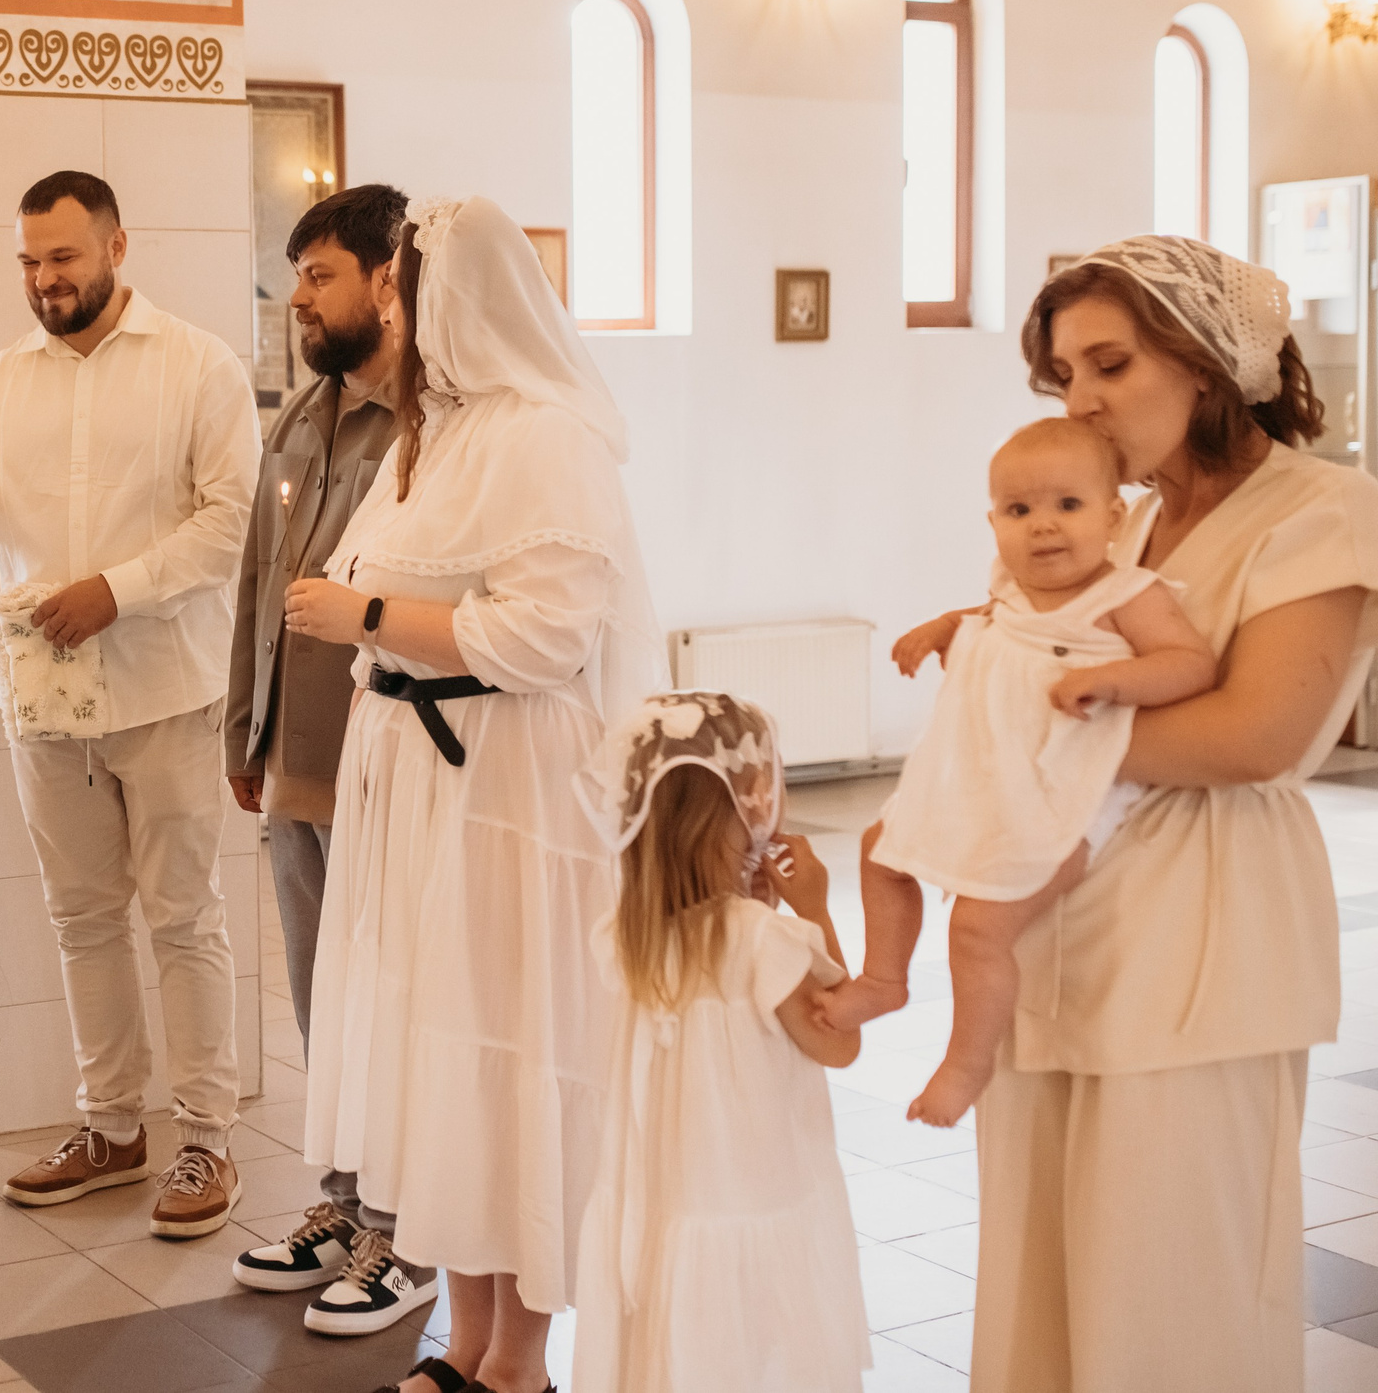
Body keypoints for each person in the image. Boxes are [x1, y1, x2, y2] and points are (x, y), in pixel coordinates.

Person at [958, 236, 1378, 1392]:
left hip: (1204, 926)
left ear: (1202, 362)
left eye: (1110, 365)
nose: (1079, 402)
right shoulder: (1117, 525)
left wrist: (1014, 740)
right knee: (1039, 1279)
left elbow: (1256, 734)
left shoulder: (1322, 509)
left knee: (1170, 1283)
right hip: (1052, 924)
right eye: (1062, 375)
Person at [283, 195, 664, 1393]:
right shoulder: (431, 434)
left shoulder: (546, 435)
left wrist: (366, 617)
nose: (394, 314)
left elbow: (545, 634)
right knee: (440, 1063)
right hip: (419, 782)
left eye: (404, 292)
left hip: (504, 785)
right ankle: (469, 1339)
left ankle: (521, 1362)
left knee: (506, 1056)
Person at [0, 169, 260, 1235]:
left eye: (63, 258)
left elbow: (229, 526)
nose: (44, 280)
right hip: (47, 705)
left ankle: (207, 1140)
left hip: (168, 688)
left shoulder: (199, 365)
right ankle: (111, 1128)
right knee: (82, 919)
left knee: (184, 919)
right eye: (30, 262)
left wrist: (114, 592)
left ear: (116, 248)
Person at [819, 417, 1214, 1126]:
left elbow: (1190, 663)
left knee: (978, 927)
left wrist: (1115, 679)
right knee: (880, 851)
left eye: (1069, 504)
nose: (1044, 526)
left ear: (1114, 517)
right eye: (1019, 509)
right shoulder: (1010, 589)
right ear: (994, 522)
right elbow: (989, 616)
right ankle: (883, 978)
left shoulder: (1125, 596)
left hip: (1065, 793)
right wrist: (943, 628)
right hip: (983, 776)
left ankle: (966, 1063)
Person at [221, 184, 437, 1333]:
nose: (296, 298)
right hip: (292, 759)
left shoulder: (429, 423)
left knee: (392, 1002)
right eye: (295, 275)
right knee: (322, 1002)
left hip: (387, 764)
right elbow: (260, 579)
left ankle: (409, 1229)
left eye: (319, 276)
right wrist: (241, 727)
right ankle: (346, 1202)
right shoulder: (302, 413)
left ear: (384, 281)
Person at [570, 692, 867, 1393]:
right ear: (747, 806)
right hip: (750, 1190)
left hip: (664, 1200)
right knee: (753, 1350)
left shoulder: (626, 937)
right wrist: (815, 910)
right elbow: (838, 1042)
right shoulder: (765, 939)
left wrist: (760, 907)